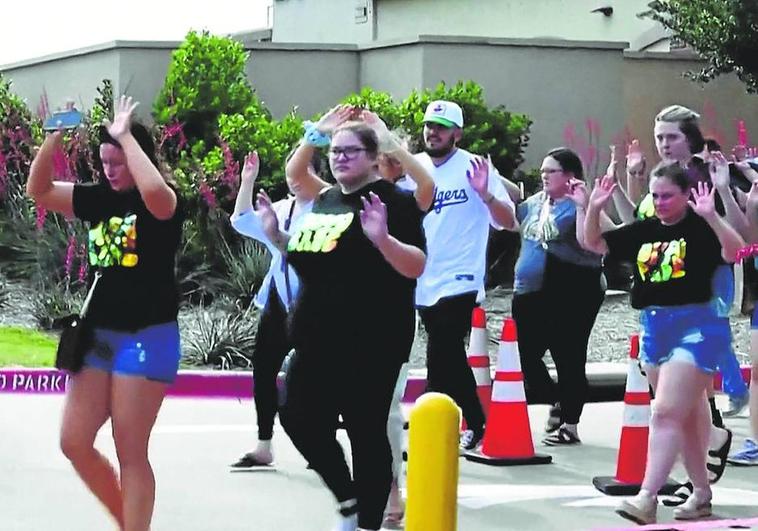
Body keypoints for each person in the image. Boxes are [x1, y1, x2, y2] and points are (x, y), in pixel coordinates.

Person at [26, 96, 184, 531]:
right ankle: (133, 523)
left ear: (137, 157)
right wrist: (52, 138)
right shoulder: (98, 199)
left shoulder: (163, 204)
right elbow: (38, 191)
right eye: (104, 162)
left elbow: (156, 195)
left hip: (147, 335)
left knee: (129, 449)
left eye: (118, 161)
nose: (110, 170)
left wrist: (125, 135)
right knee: (74, 441)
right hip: (99, 336)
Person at [271, 118, 426, 531]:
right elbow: (314, 260)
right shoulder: (325, 200)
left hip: (370, 341)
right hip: (314, 339)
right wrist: (278, 238)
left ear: (374, 158)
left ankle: (368, 522)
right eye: (335, 152)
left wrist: (384, 241)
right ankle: (349, 498)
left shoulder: (394, 201)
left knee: (366, 434)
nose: (339, 158)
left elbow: (416, 266)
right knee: (296, 416)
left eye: (349, 151)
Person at [584, 164, 744, 525]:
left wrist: (712, 217)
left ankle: (647, 496)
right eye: (654, 195)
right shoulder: (645, 230)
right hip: (656, 328)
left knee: (665, 412)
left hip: (698, 327)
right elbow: (592, 243)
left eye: (667, 195)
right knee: (686, 417)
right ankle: (701, 493)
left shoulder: (701, 227)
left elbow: (735, 252)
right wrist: (593, 207)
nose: (659, 202)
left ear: (687, 195)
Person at [413, 100, 518, 452]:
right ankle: (442, 417)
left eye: (441, 127)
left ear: (456, 133)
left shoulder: (475, 166)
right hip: (423, 276)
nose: (433, 132)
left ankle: (461, 418)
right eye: (429, 125)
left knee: (443, 346)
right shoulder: (416, 168)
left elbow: (508, 221)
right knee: (444, 354)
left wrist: (486, 193)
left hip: (461, 276)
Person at [229, 149, 327, 468]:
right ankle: (263, 444)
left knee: (314, 376)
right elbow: (241, 220)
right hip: (278, 299)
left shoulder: (327, 210)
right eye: (291, 172)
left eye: (303, 172)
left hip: (313, 304)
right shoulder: (280, 208)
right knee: (263, 369)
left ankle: (320, 440)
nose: (294, 179)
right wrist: (247, 181)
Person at [508, 147, 605, 445]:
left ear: (569, 176)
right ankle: (556, 399)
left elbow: (588, 242)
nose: (544, 175)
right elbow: (508, 211)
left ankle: (570, 423)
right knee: (524, 355)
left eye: (551, 171)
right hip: (528, 290)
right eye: (543, 170)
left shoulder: (578, 204)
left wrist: (583, 206)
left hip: (572, 288)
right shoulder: (535, 204)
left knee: (569, 355)